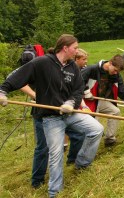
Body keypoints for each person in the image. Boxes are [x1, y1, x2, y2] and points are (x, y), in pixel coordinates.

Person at [0, 34, 104, 198]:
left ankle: (82, 164)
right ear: (65, 47)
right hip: (51, 118)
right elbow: (18, 76)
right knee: (55, 154)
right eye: (75, 48)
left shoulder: (73, 67)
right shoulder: (42, 63)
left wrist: (71, 103)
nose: (77, 51)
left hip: (70, 114)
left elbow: (78, 90)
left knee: (97, 129)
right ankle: (54, 192)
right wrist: (3, 91)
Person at [81, 55, 124, 147]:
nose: (116, 73)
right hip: (89, 102)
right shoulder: (92, 69)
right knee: (94, 125)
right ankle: (88, 147)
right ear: (110, 63)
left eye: (118, 71)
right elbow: (78, 80)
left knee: (115, 112)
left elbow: (121, 87)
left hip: (101, 100)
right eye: (115, 70)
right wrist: (85, 91)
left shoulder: (115, 74)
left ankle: (110, 139)